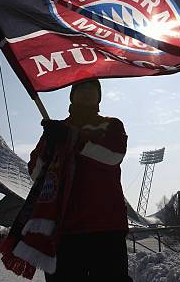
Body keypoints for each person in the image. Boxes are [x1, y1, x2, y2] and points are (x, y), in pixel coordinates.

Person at [40, 79, 132, 282]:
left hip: (106, 229)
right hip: (64, 231)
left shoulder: (111, 125)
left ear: (99, 96)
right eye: (81, 87)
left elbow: (113, 155)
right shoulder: (55, 131)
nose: (87, 91)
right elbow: (36, 173)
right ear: (72, 95)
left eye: (92, 88)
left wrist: (73, 138)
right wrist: (48, 149)